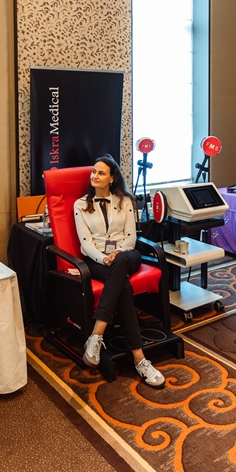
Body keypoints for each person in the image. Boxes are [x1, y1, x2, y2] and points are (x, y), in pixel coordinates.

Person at [73, 155, 166, 388]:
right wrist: (104, 258)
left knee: (121, 263)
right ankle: (140, 359)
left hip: (126, 255)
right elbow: (86, 244)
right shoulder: (80, 205)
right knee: (122, 286)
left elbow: (131, 237)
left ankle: (96, 334)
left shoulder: (125, 200)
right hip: (97, 259)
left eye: (101, 173)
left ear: (112, 178)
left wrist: (117, 253)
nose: (95, 176)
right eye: (94, 171)